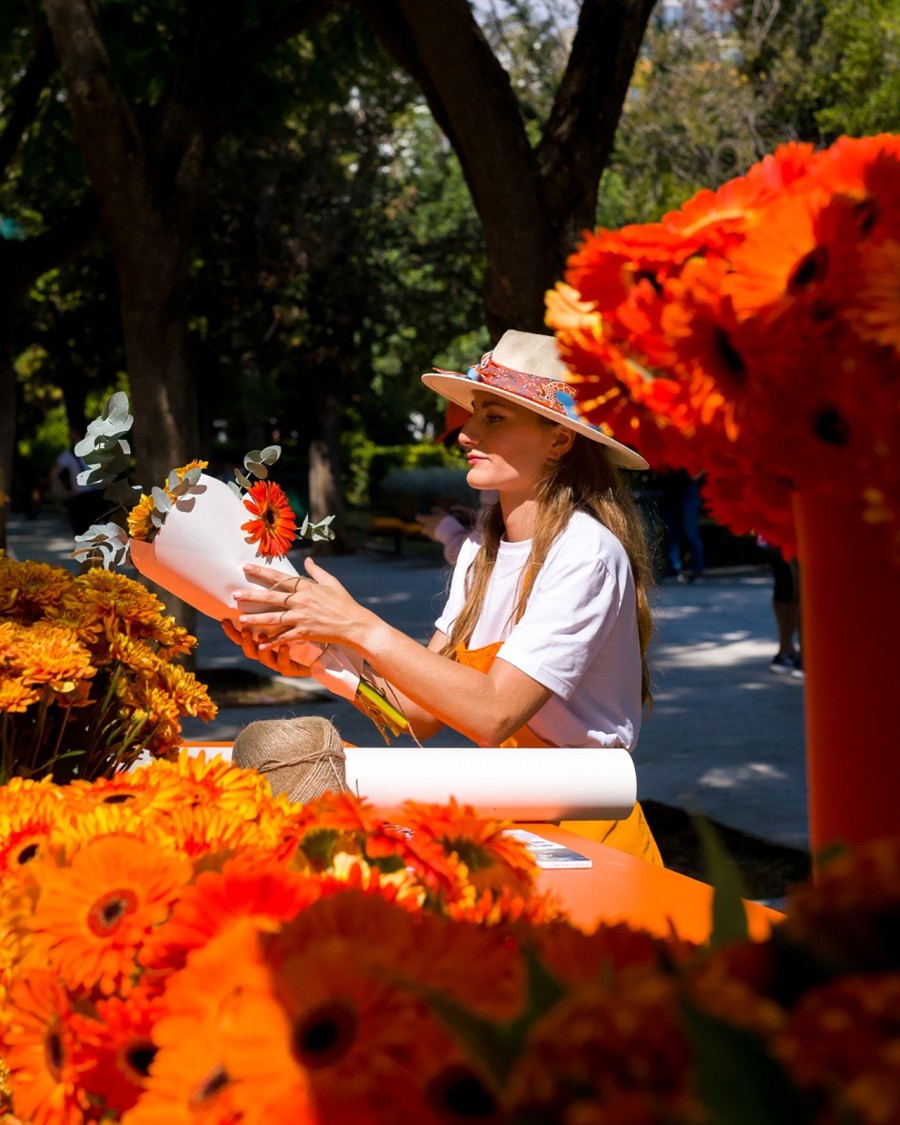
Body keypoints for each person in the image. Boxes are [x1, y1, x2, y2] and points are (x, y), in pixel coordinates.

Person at [225, 330, 663, 865]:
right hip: (515, 820)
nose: (465, 434)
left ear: (560, 440)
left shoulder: (585, 551)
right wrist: (316, 655)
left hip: (593, 836)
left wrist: (358, 626)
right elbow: (421, 714)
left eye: (493, 417)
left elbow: (494, 713)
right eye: (474, 412)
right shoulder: (483, 545)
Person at [48, 428, 109, 535]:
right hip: (95, 496)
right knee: (97, 533)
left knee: (82, 534)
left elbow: (53, 474)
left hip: (80, 498)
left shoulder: (69, 454)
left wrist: (64, 492)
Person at [659, 468, 705, 583]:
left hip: (688, 487)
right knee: (671, 532)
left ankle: (697, 571)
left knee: (690, 532)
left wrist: (698, 473)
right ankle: (674, 570)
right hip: (669, 489)